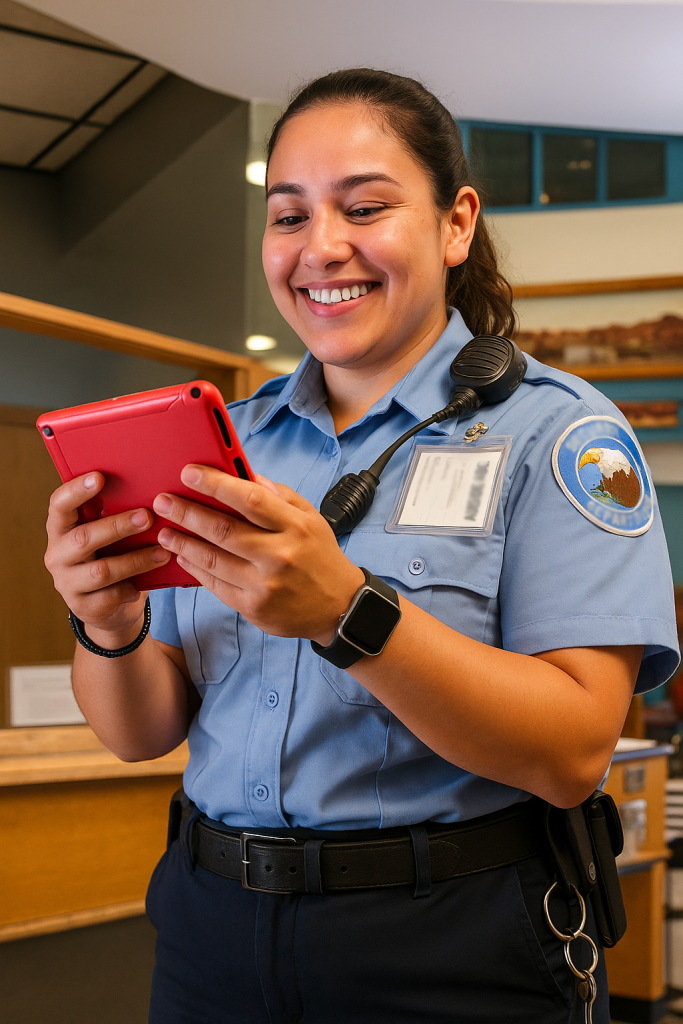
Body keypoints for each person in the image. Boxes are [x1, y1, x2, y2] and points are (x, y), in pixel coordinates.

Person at [44, 69, 679, 1024]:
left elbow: (572, 753)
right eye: (288, 216)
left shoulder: (559, 435)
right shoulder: (225, 443)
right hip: (210, 930)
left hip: (448, 945)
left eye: (366, 207)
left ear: (455, 223)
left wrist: (349, 615)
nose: (320, 248)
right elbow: (141, 732)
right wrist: (105, 622)